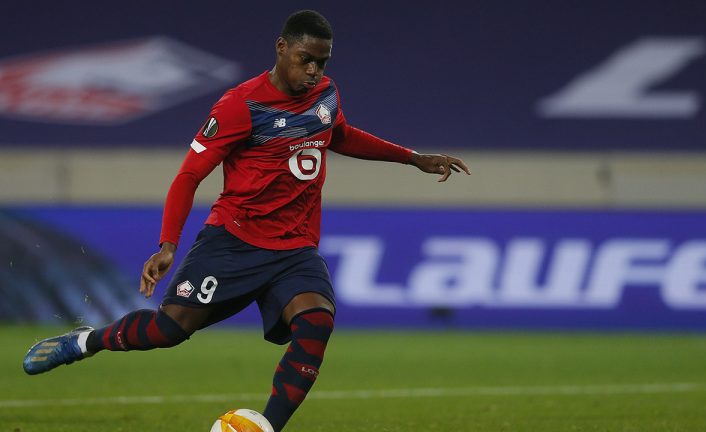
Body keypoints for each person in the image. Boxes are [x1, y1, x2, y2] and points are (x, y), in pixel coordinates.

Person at [22, 9, 470, 432]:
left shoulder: (326, 95)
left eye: (321, 61)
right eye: (305, 59)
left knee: (317, 321)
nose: (313, 70)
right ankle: (84, 342)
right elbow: (189, 175)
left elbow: (341, 135)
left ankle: (267, 425)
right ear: (281, 48)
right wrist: (167, 244)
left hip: (294, 249)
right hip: (233, 242)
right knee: (167, 330)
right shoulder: (241, 106)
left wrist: (412, 159)